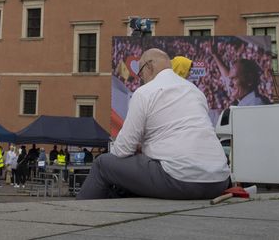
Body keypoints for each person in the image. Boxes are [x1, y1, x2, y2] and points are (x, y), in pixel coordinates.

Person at [77, 48, 230, 200]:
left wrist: (136, 149)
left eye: (141, 73)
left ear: (149, 66)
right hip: (218, 180)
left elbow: (122, 150)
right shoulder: (195, 92)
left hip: (181, 180)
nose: (141, 79)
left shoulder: (145, 92)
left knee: (103, 164)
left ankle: (80, 215)